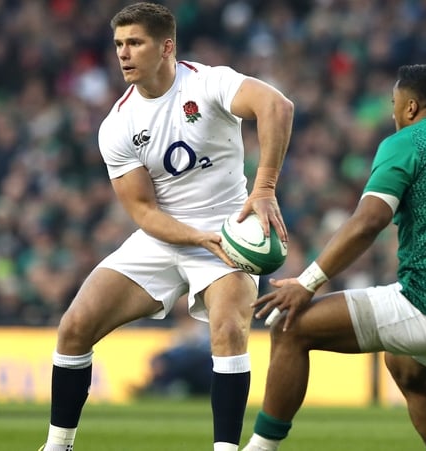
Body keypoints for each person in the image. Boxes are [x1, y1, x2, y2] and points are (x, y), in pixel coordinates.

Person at [40, 3, 293, 451]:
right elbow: (142, 212)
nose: (123, 54)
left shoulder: (209, 82)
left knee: (229, 331)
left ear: (166, 46)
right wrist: (195, 237)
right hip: (165, 237)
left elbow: (276, 105)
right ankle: (58, 446)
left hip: (229, 230)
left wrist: (264, 188)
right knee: (74, 326)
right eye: (119, 44)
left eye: (135, 42)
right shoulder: (117, 125)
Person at [242, 64, 426, 451]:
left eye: (394, 104)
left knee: (288, 325)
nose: (393, 113)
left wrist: (307, 283)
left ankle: (260, 449)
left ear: (411, 107)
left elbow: (369, 222)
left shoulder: (410, 141)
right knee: (406, 367)